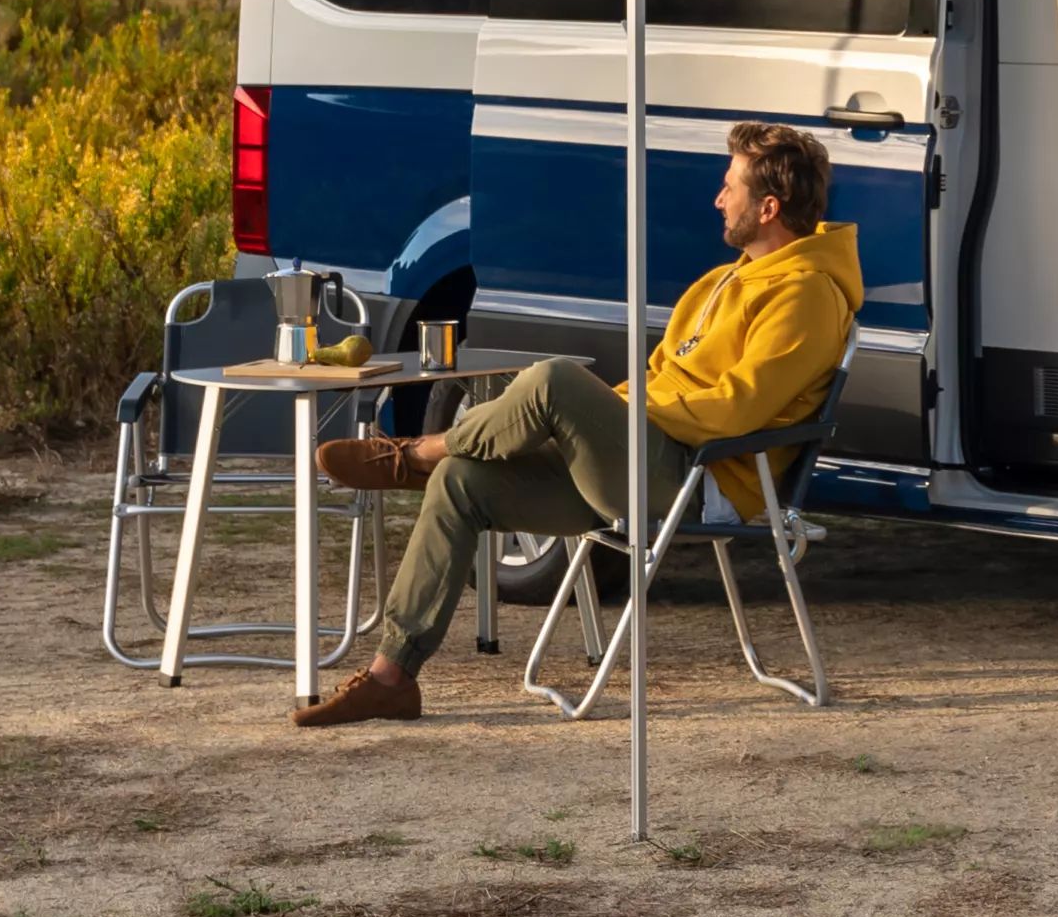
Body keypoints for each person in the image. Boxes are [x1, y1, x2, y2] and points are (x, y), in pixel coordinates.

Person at [295, 120, 862, 727]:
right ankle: (392, 677)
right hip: (641, 464)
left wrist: (620, 412)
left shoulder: (806, 295)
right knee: (462, 481)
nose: (718, 199)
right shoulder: (723, 280)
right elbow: (658, 379)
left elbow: (737, 409)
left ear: (769, 207)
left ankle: (415, 453)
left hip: (701, 482)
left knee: (554, 379)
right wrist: (613, 412)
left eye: (731, 187)